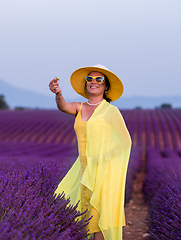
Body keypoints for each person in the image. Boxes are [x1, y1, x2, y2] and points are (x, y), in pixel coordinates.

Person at [49, 64, 131, 240]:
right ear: (86, 83)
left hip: (103, 172)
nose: (93, 82)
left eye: (99, 79)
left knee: (98, 217)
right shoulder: (79, 108)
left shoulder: (111, 111)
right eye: (90, 79)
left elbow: (126, 141)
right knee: (81, 214)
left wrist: (105, 157)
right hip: (83, 170)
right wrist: (58, 94)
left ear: (106, 86)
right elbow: (63, 106)